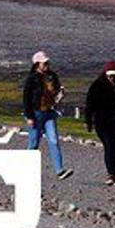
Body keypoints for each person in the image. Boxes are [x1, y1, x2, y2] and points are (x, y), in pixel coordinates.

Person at [22, 50, 74, 180]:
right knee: (34, 143)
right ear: (37, 64)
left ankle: (59, 170)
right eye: (44, 63)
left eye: (47, 63)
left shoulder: (52, 76)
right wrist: (29, 117)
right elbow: (26, 99)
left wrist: (60, 94)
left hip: (50, 113)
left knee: (54, 140)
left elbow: (56, 92)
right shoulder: (31, 79)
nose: (46, 65)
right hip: (36, 113)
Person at [83, 60, 115, 186]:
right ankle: (111, 174)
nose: (112, 78)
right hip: (102, 121)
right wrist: (88, 121)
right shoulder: (97, 85)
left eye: (114, 75)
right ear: (105, 74)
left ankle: (113, 174)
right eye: (109, 75)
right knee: (110, 145)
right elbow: (89, 104)